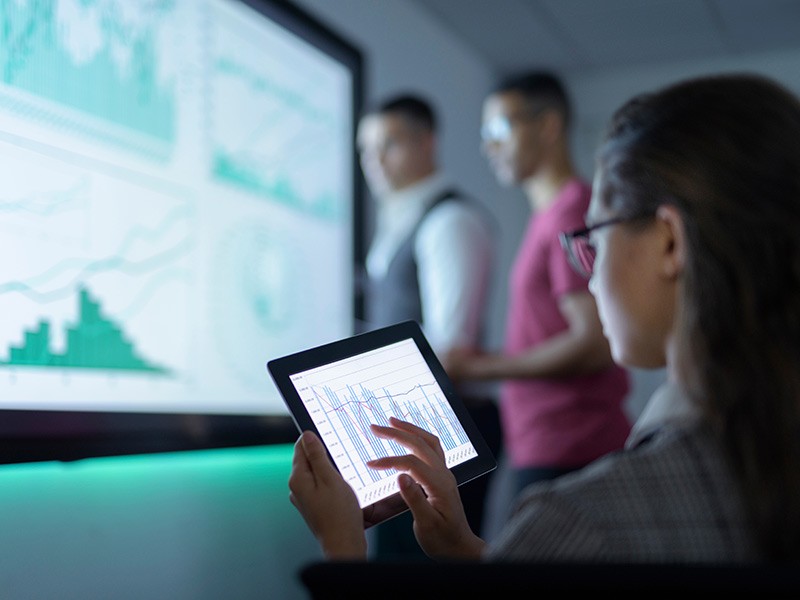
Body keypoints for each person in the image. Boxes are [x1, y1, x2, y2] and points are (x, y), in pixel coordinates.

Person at [289, 72, 800, 563]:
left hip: (562, 436)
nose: (592, 277)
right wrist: (467, 549)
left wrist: (341, 548)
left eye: (594, 239)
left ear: (669, 242)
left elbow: (587, 346)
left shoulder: (579, 519)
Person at [445, 71, 631, 509]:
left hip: (572, 446)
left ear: (548, 125)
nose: (488, 146)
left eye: (499, 130)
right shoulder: (551, 215)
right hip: (548, 443)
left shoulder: (571, 214)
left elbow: (594, 343)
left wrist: (478, 369)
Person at [355, 93, 501, 558]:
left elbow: (450, 349)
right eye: (365, 149)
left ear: (427, 144)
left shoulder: (450, 221)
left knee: (424, 570)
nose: (374, 160)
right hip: (409, 432)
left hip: (443, 434)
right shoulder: (400, 220)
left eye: (390, 144)